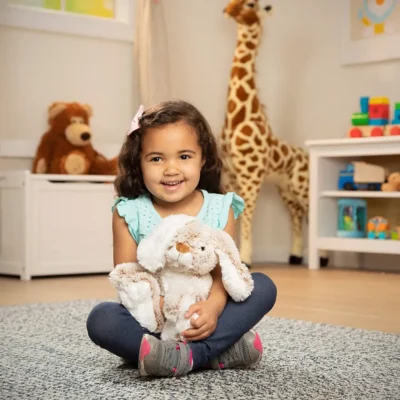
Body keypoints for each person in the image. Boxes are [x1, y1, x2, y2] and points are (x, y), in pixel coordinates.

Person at [86, 100, 277, 378]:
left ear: (203, 158)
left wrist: (213, 307)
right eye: (156, 158)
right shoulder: (128, 211)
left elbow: (227, 271)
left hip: (209, 311)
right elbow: (128, 278)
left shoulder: (221, 208)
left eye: (184, 157)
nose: (171, 169)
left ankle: (181, 357)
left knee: (263, 286)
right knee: (101, 319)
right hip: (155, 319)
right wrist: (166, 310)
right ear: (138, 163)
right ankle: (214, 352)